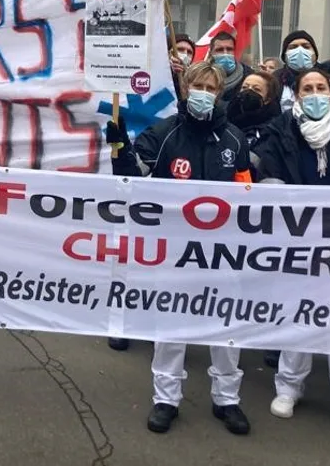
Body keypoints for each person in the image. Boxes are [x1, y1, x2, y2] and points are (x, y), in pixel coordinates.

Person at [106, 61, 252, 436]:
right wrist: (119, 146)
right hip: (174, 249)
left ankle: (227, 399)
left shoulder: (235, 139)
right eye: (198, 85)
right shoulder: (164, 133)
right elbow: (132, 177)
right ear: (185, 88)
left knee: (225, 325)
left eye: (211, 87)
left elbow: (249, 196)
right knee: (171, 326)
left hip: (223, 251)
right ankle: (166, 399)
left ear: (220, 94)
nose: (204, 92)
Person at [252, 68, 330, 441]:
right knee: (299, 316)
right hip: (298, 243)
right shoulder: (282, 133)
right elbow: (263, 171)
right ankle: (289, 386)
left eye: (320, 88)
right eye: (306, 89)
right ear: (296, 94)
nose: (313, 94)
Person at [275, 30, 330, 112]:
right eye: (293, 47)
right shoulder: (275, 80)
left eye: (306, 47)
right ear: (284, 55)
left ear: (315, 54)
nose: (300, 50)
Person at [227, 70, 281, 151]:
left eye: (256, 89)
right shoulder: (225, 119)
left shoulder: (273, 130)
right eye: (244, 87)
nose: (248, 92)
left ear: (267, 99)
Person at [206, 32, 252, 101]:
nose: (225, 53)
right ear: (211, 53)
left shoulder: (249, 76)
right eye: (220, 50)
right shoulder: (201, 75)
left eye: (229, 49)